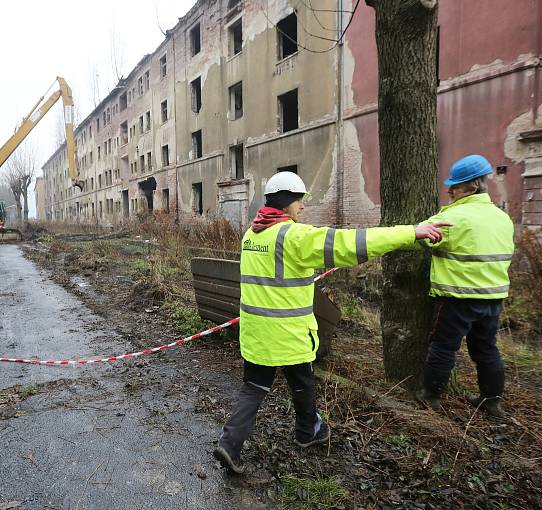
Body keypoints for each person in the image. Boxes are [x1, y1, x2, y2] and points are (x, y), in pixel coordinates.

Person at [213, 171, 450, 474]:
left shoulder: (252, 234)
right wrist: (412, 232)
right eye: (300, 201)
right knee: (302, 381)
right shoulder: (295, 236)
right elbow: (351, 243)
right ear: (288, 202)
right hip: (289, 333)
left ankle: (230, 444)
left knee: (255, 387)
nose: (303, 207)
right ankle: (307, 431)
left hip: (257, 332)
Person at [415, 155, 514, 418]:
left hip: (457, 297)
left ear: (471, 187)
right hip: (493, 297)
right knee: (486, 348)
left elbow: (425, 239)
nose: (450, 191)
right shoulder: (502, 217)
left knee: (443, 347)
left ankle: (430, 396)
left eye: (455, 187)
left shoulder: (452, 217)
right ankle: (491, 401)